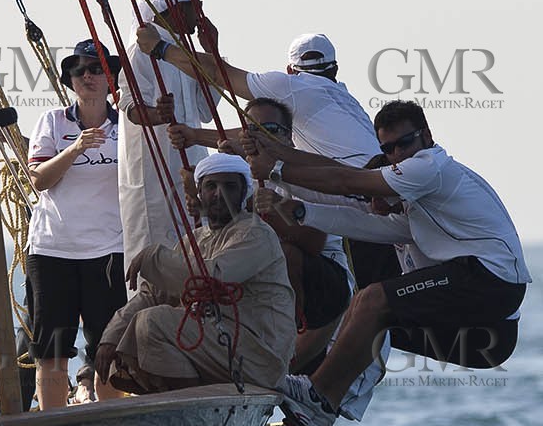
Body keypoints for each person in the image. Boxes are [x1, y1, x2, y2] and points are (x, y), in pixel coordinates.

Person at [246, 101, 531, 426]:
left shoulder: (428, 166)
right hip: (491, 338)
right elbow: (357, 222)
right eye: (388, 149)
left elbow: (343, 179)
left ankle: (317, 395)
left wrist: (277, 169)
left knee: (373, 300)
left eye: (404, 143)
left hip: (493, 285)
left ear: (426, 136)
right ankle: (323, 405)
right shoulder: (414, 213)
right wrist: (300, 211)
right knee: (364, 317)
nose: (398, 154)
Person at [136, 25, 400, 290]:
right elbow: (264, 131)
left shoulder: (292, 87)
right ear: (335, 69)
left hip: (358, 197)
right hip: (384, 203)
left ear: (290, 70)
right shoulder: (345, 102)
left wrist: (160, 49)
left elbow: (219, 74)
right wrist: (195, 135)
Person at [94, 153, 295, 395]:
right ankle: (183, 400)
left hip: (259, 355)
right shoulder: (194, 240)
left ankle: (194, 402)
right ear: (200, 192)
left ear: (244, 193)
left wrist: (152, 257)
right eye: (211, 186)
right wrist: (110, 337)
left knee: (151, 322)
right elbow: (152, 295)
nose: (219, 194)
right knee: (133, 335)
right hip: (220, 347)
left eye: (229, 186)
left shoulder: (256, 234)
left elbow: (213, 276)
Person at [26, 39, 127, 410]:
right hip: (53, 249)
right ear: (70, 80)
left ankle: (110, 423)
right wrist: (75, 148)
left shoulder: (128, 126)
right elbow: (39, 179)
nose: (88, 75)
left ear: (110, 78)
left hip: (108, 250)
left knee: (107, 348)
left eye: (97, 68)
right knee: (52, 350)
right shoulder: (53, 121)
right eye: (80, 70)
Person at [118, 0, 211, 271]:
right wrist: (159, 114)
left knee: (199, 251)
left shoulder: (185, 53)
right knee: (157, 261)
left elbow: (206, 111)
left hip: (192, 165)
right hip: (155, 175)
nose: (199, 15)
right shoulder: (141, 51)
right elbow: (130, 106)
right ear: (172, 9)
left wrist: (212, 53)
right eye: (192, 6)